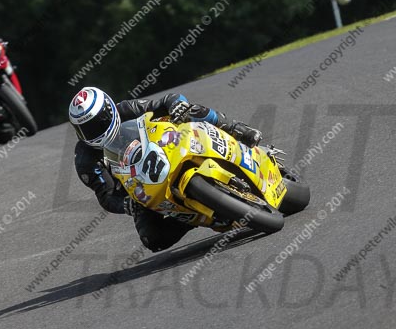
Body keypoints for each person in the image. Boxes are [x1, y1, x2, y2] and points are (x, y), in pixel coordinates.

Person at [68, 87, 261, 252]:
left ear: (109, 110)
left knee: (191, 110)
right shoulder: (85, 159)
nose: (94, 132)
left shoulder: (126, 109)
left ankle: (236, 129)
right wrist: (126, 205)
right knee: (152, 239)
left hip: (166, 146)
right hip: (140, 190)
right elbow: (106, 196)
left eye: (97, 123)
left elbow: (166, 100)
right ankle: (193, 217)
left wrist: (177, 105)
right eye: (85, 129)